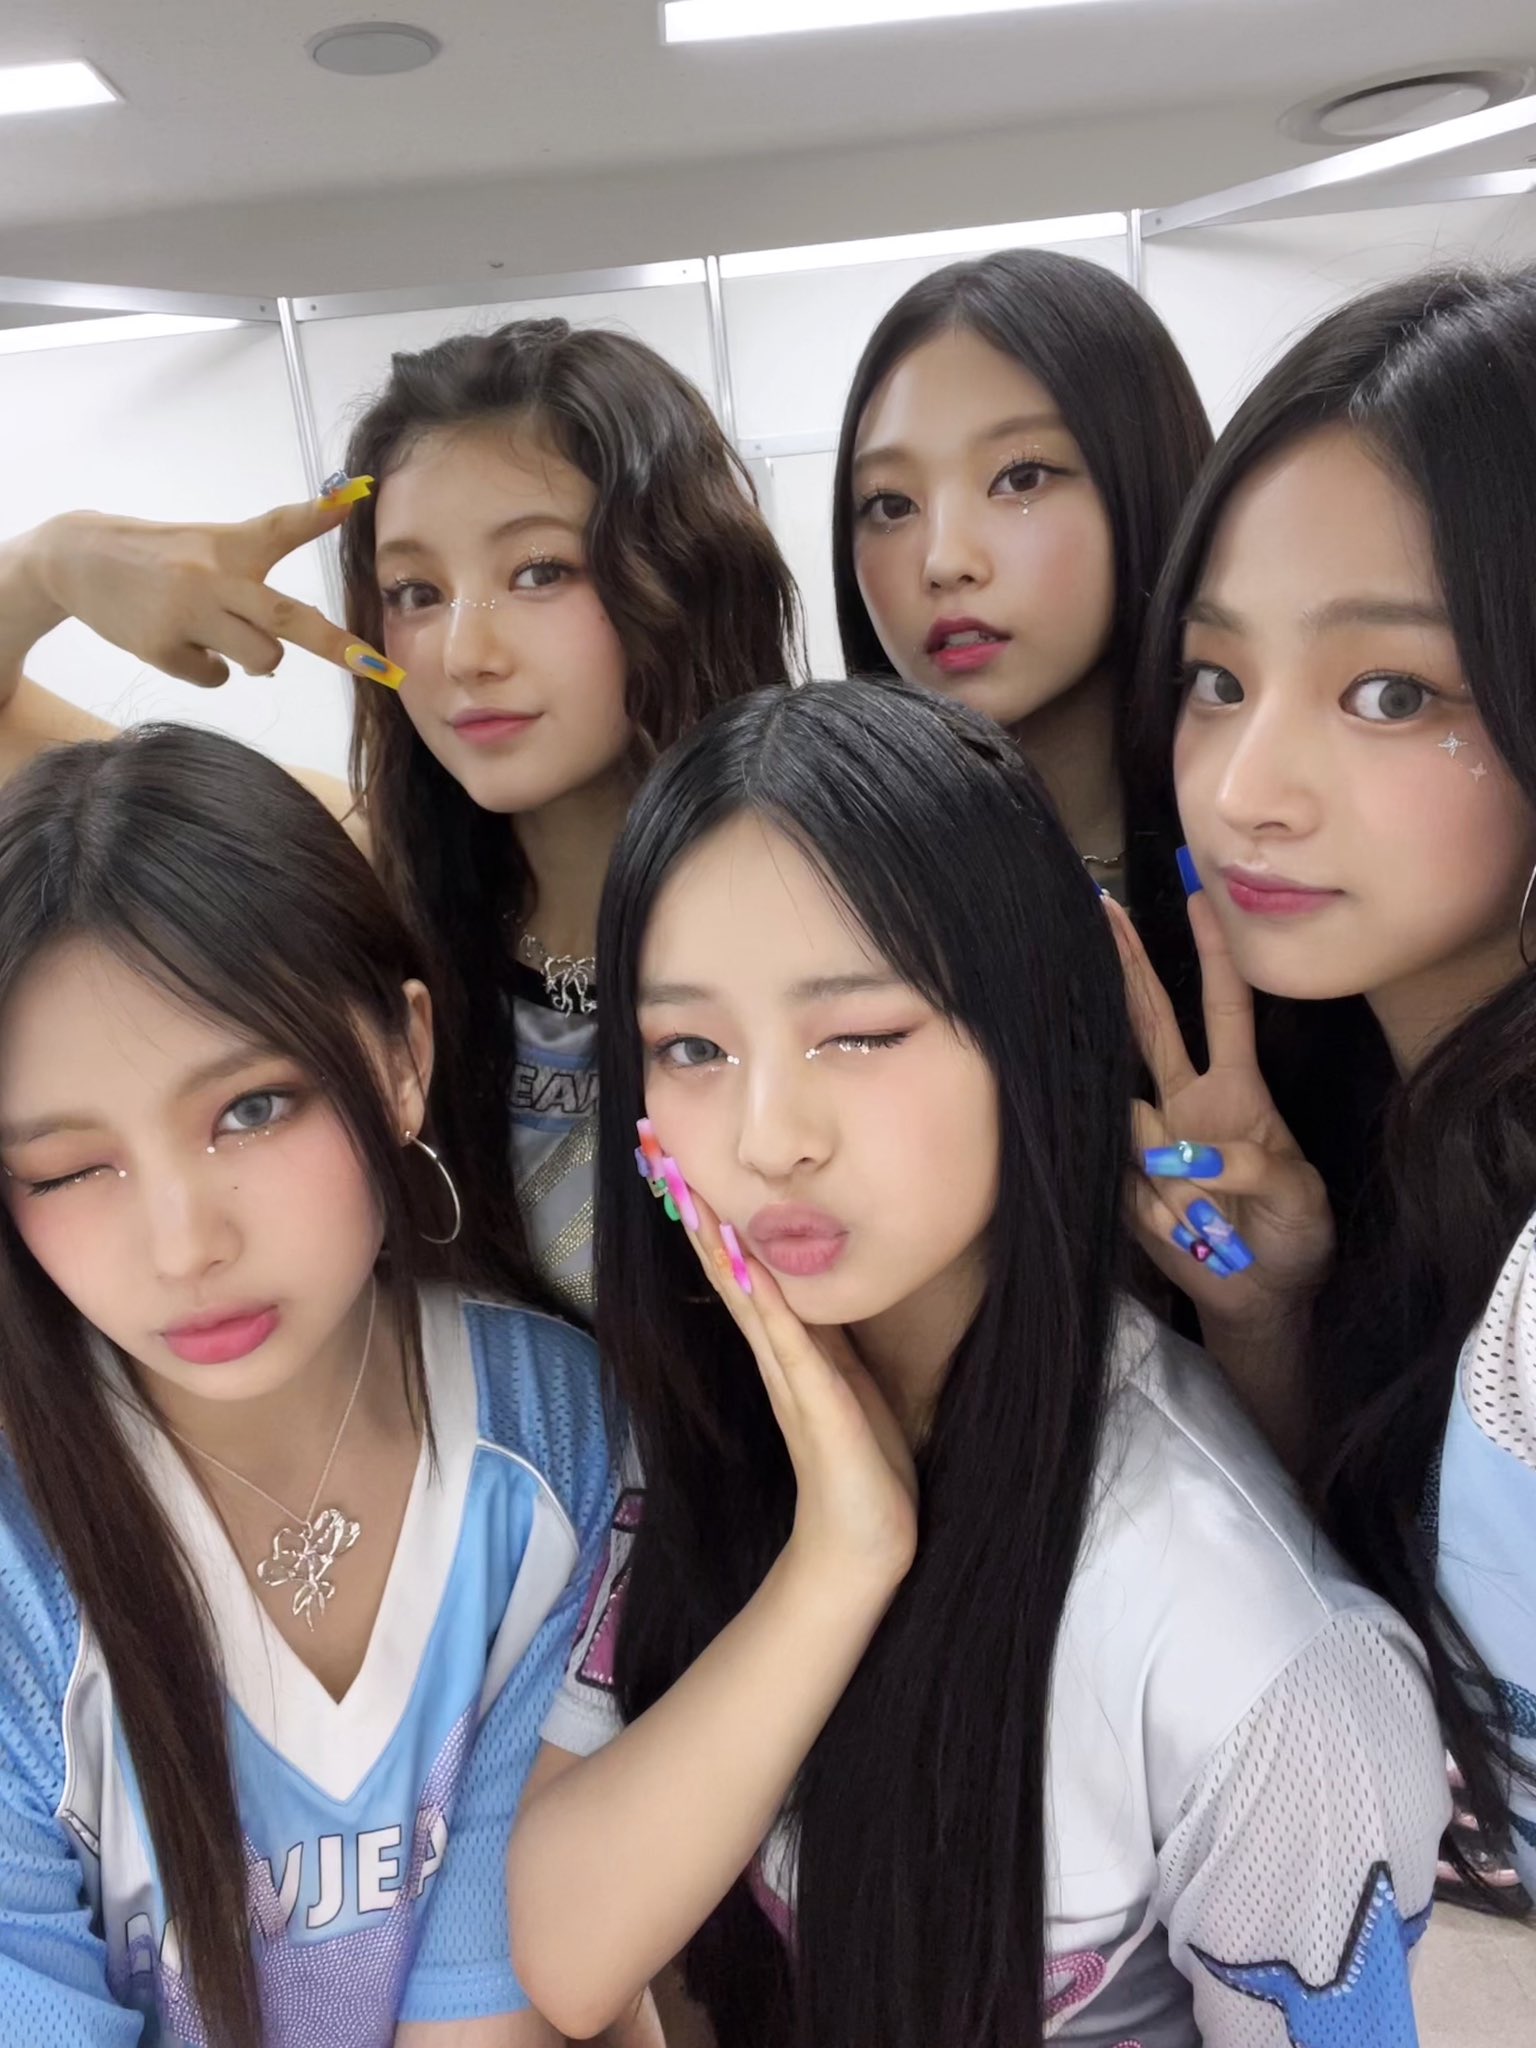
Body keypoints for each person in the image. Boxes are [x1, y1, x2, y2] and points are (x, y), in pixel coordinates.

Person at [507, 677, 1446, 2048]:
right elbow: (567, 1950)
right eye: (692, 1046)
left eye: (860, 1032)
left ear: (1038, 1034)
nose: (769, 1136)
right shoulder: (728, 1411)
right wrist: (841, 1556)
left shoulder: (1253, 1648)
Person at [0, 724, 611, 2046]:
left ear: (401, 1057)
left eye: (252, 1109)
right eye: (69, 1169)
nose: (184, 1245)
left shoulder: (552, 1431)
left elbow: (485, 2000)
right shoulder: (18, 1567)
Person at [0, 319, 804, 1313]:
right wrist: (53, 562)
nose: (464, 654)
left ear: (681, 573)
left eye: (540, 571)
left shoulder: (815, 890)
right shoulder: (358, 872)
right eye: (414, 591)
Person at [1118, 266, 1536, 1902]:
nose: (1243, 787)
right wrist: (1267, 1316)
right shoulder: (1367, 1106)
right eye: (1217, 679)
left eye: (1390, 693)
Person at [831, 247, 1210, 905]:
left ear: (1145, 476)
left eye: (1022, 477)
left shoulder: (1274, 851)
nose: (944, 560)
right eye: (891, 504)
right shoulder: (837, 894)